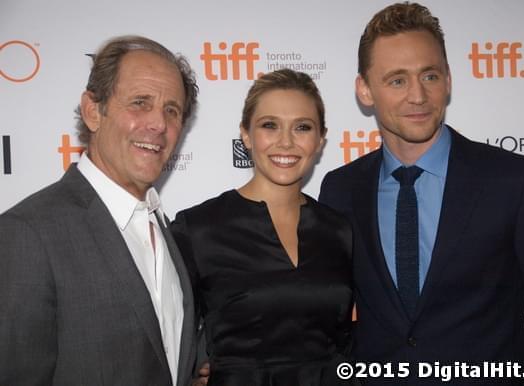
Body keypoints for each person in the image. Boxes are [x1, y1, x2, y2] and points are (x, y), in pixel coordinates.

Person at [318, 2, 524, 385]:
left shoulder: (516, 182)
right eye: (396, 80)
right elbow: (329, 324)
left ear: (449, 80)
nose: (418, 96)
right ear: (365, 90)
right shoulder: (340, 190)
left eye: (430, 76)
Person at [0, 35, 199, 386]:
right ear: (93, 111)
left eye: (172, 110)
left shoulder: (162, 226)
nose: (158, 124)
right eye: (140, 102)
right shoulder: (28, 234)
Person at [171, 69, 354, 386]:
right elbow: (168, 336)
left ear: (320, 139)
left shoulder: (339, 230)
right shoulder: (199, 228)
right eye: (270, 125)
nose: (286, 141)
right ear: (245, 134)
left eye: (302, 127)